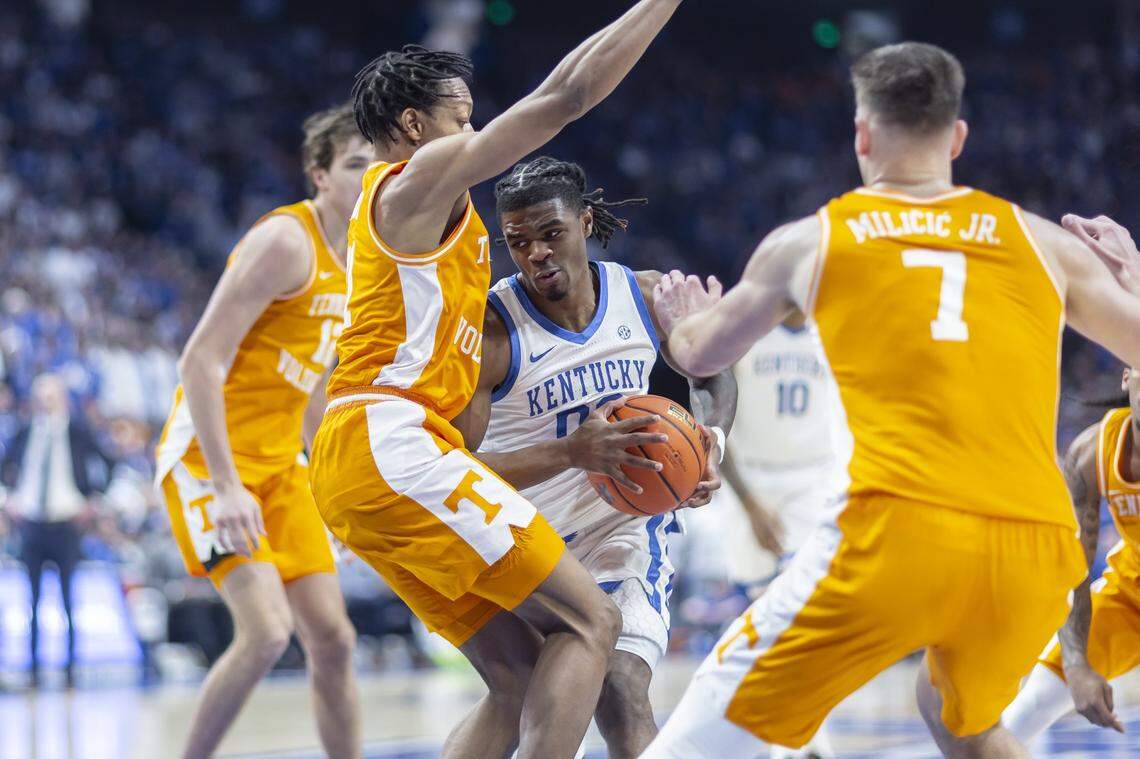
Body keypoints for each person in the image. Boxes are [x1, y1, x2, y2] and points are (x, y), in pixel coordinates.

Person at [640, 42, 1140, 759]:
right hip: (1033, 550)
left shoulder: (812, 240)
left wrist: (682, 316)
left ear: (862, 134)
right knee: (956, 719)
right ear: (957, 137)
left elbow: (699, 356)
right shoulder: (1043, 243)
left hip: (897, 535)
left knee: (691, 743)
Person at [307, 4, 682, 757]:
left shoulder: (428, 210)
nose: (475, 135)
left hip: (373, 458)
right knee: (590, 622)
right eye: (462, 118)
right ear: (415, 126)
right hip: (390, 438)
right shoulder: (413, 180)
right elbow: (567, 95)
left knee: (515, 676)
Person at [450, 157, 735, 758]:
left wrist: (712, 439)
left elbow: (714, 371)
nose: (536, 255)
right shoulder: (491, 338)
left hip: (625, 529)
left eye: (551, 234)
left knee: (622, 690)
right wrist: (571, 452)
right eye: (518, 242)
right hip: (528, 541)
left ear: (584, 221)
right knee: (514, 701)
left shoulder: (648, 294)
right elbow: (449, 467)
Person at [153, 104, 368, 759]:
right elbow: (199, 357)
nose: (372, 176)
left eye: (381, 165)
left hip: (279, 468)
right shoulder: (286, 241)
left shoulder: (361, 258)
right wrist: (224, 485)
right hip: (205, 460)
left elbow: (309, 388)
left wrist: (331, 484)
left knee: (334, 638)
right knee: (268, 632)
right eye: (356, 163)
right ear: (320, 176)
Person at [1001, 214, 1140, 745]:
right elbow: (1072, 574)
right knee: (1021, 715)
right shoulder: (1089, 455)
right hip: (1131, 596)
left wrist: (1131, 278)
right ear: (1126, 377)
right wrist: (1078, 666)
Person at [716, 310, 841, 759]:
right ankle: (795, 734)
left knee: (801, 612)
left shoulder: (836, 333)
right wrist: (750, 506)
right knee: (764, 611)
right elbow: (716, 423)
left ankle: (799, 738)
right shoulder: (744, 333)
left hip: (814, 481)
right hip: (751, 480)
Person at [0, 373, 112, 688]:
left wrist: (93, 502)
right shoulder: (25, 432)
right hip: (32, 525)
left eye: (51, 396)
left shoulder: (77, 431)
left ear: (61, 397)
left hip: (66, 524)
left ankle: (71, 671)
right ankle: (34, 671)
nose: (45, 403)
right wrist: (9, 501)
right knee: (32, 601)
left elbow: (109, 463)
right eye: (41, 397)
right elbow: (5, 469)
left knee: (68, 600)